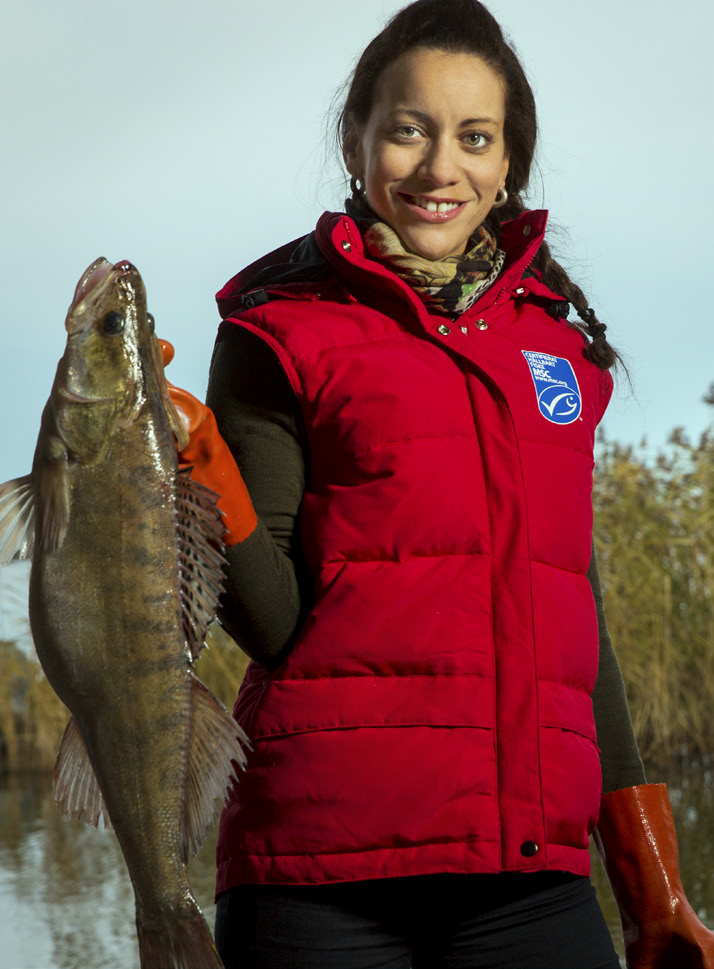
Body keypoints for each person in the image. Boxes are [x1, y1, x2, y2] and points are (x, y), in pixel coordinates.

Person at [165, 1, 714, 965]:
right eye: (409, 130)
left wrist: (649, 881)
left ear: (508, 165)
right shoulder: (275, 330)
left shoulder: (554, 346)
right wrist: (197, 462)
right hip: (317, 878)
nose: (438, 167)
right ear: (357, 139)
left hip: (529, 881)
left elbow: (574, 615)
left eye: (474, 138)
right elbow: (271, 620)